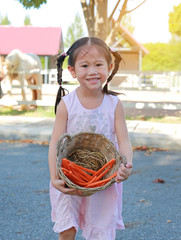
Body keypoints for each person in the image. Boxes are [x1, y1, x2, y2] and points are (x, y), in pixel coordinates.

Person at [48, 37, 133, 240]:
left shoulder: (114, 103)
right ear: (73, 71)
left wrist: (127, 164)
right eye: (85, 65)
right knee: (67, 226)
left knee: (100, 230)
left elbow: (124, 141)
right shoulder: (67, 104)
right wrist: (54, 177)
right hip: (69, 178)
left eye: (98, 64)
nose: (92, 71)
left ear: (109, 66)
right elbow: (55, 143)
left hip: (103, 179)